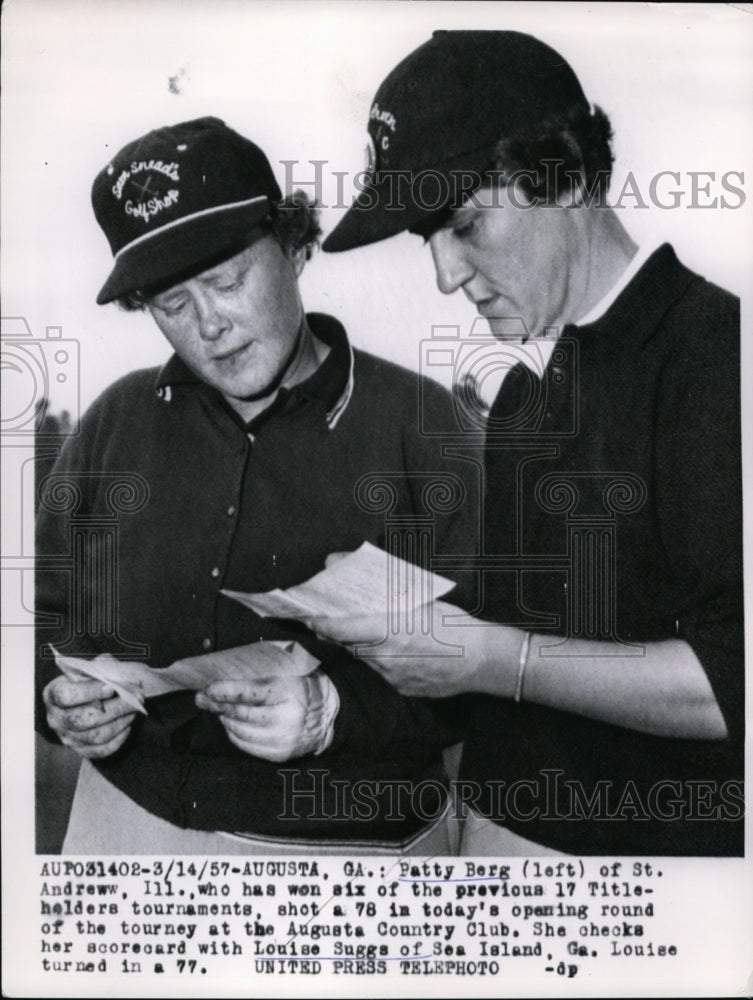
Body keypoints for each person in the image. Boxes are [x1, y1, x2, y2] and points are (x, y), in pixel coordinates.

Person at [318, 31, 744, 856]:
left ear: (569, 176)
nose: (445, 275)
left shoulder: (714, 356)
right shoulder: (521, 391)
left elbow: (733, 685)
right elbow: (510, 633)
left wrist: (497, 660)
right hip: (490, 851)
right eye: (426, 239)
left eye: (466, 224)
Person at [35, 116, 479, 855]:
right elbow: (39, 620)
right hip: (123, 829)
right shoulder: (115, 421)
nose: (209, 324)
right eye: (172, 304)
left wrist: (336, 711)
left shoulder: (423, 425)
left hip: (352, 858)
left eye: (226, 280)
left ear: (295, 247)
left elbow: (500, 657)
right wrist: (57, 704)